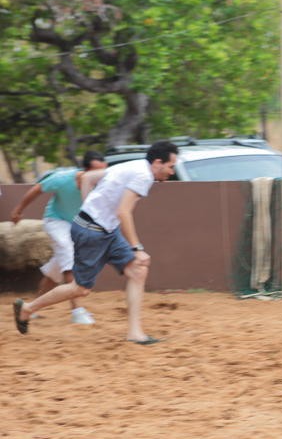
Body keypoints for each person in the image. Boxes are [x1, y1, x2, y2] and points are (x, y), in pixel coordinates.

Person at [13, 141, 178, 343]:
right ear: (158, 162)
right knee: (80, 289)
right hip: (92, 232)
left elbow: (89, 177)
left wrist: (89, 206)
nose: (171, 172)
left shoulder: (133, 165)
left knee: (138, 271)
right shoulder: (143, 175)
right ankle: (27, 309)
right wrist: (137, 248)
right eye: (170, 167)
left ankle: (135, 334)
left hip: (105, 229)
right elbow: (123, 212)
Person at [9, 150, 108, 324]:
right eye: (97, 171)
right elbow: (37, 189)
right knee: (69, 256)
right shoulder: (63, 179)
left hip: (76, 226)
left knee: (56, 270)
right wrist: (18, 210)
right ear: (84, 170)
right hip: (56, 221)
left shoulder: (103, 185)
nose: (102, 176)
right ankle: (77, 310)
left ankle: (29, 308)